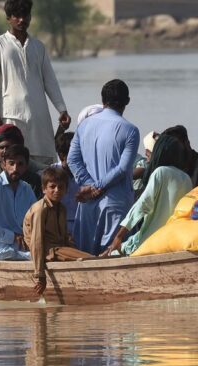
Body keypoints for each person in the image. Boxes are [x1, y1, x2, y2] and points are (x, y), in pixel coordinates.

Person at [0, 0, 71, 164]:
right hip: (11, 115)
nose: (21, 20)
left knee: (43, 162)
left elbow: (50, 80)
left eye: (25, 15)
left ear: (30, 17)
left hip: (39, 117)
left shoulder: (38, 47)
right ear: (8, 18)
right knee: (12, 160)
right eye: (16, 16)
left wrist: (62, 109)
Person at [67, 79, 140, 255]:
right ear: (127, 101)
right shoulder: (130, 130)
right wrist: (97, 187)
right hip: (116, 203)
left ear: (102, 100)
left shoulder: (84, 125)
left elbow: (72, 160)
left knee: (85, 255)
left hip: (87, 201)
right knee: (114, 258)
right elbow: (123, 168)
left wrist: (89, 186)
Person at [102, 134, 192, 256]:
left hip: (152, 239)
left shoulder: (160, 172)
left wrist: (119, 236)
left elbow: (143, 204)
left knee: (111, 254)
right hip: (174, 238)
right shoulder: (186, 178)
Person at [23, 167, 93, 295]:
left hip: (59, 249)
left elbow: (65, 237)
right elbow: (36, 242)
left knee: (87, 257)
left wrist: (73, 249)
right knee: (90, 259)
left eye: (61, 187)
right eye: (52, 187)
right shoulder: (40, 209)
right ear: (44, 189)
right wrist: (40, 274)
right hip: (49, 252)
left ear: (66, 189)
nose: (57, 190)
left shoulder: (62, 208)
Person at [52, 130, 79, 233]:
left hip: (83, 225)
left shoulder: (87, 173)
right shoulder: (51, 174)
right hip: (58, 226)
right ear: (61, 156)